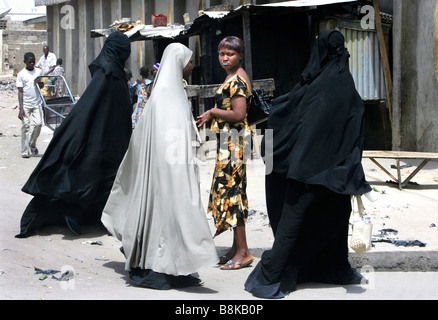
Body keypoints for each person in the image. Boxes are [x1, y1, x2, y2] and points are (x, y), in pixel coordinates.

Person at [244, 30, 372, 299]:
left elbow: (284, 117)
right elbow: (355, 130)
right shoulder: (345, 85)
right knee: (335, 220)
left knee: (296, 225)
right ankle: (326, 270)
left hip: (303, 173)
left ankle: (286, 275)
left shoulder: (310, 88)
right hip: (334, 173)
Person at [101, 43, 218, 290]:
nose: (191, 66)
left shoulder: (169, 91)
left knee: (171, 219)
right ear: (178, 63)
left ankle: (175, 266)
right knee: (169, 217)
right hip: (168, 174)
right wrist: (176, 175)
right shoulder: (167, 95)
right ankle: (158, 266)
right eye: (188, 61)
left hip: (170, 170)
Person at [15, 31, 133, 238]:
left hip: (113, 142)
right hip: (100, 141)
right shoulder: (106, 75)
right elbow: (88, 109)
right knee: (92, 178)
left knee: (108, 180)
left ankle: (95, 217)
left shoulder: (115, 74)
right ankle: (75, 213)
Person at [196, 36, 253, 270]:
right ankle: (235, 248)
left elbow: (239, 114)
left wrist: (212, 111)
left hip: (235, 143)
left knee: (232, 194)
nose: (225, 57)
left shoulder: (238, 79)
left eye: (230, 53)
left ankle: (244, 252)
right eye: (221, 53)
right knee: (231, 192)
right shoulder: (232, 76)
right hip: (230, 142)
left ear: (240, 55)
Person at [16, 52, 44, 158]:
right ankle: (24, 150)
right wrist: (21, 108)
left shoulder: (39, 71)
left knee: (38, 124)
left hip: (37, 103)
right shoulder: (21, 74)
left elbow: (41, 86)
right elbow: (20, 92)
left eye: (33, 60)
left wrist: (40, 83)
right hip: (26, 104)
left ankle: (32, 144)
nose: (32, 63)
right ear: (25, 62)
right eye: (30, 61)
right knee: (26, 126)